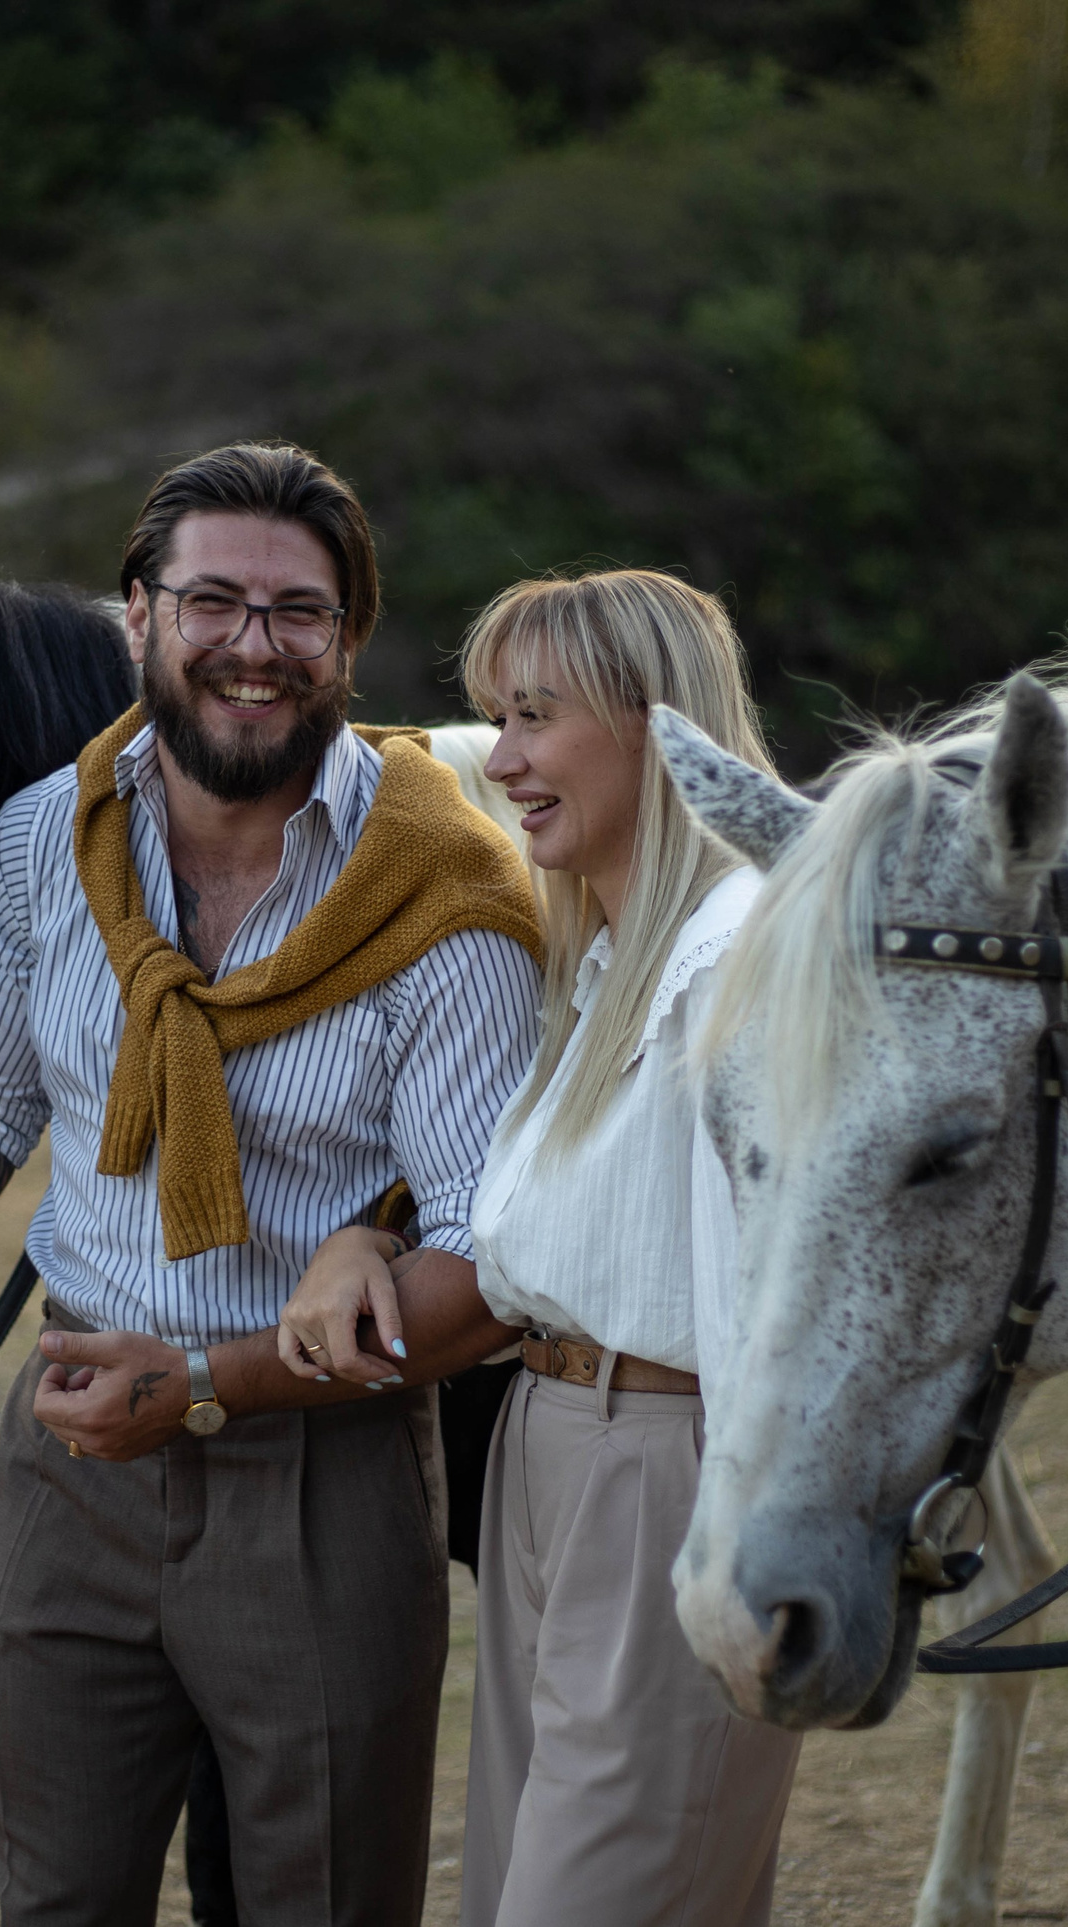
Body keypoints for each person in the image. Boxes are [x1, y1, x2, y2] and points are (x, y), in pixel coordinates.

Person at [0, 442, 544, 1927]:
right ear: (136, 615)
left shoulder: (444, 898)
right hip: (68, 1467)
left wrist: (206, 1384)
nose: (253, 647)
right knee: (55, 1904)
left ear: (348, 644)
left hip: (323, 1486)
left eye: (298, 613)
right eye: (213, 601)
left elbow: (481, 1275)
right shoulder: (42, 842)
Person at [278, 569, 805, 1927]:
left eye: (533, 717)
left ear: (654, 726)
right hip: (545, 1454)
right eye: (494, 720)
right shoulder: (601, 961)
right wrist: (361, 1237)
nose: (499, 760)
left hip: (670, 1474)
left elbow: (776, 1293)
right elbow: (533, 1235)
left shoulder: (743, 955)